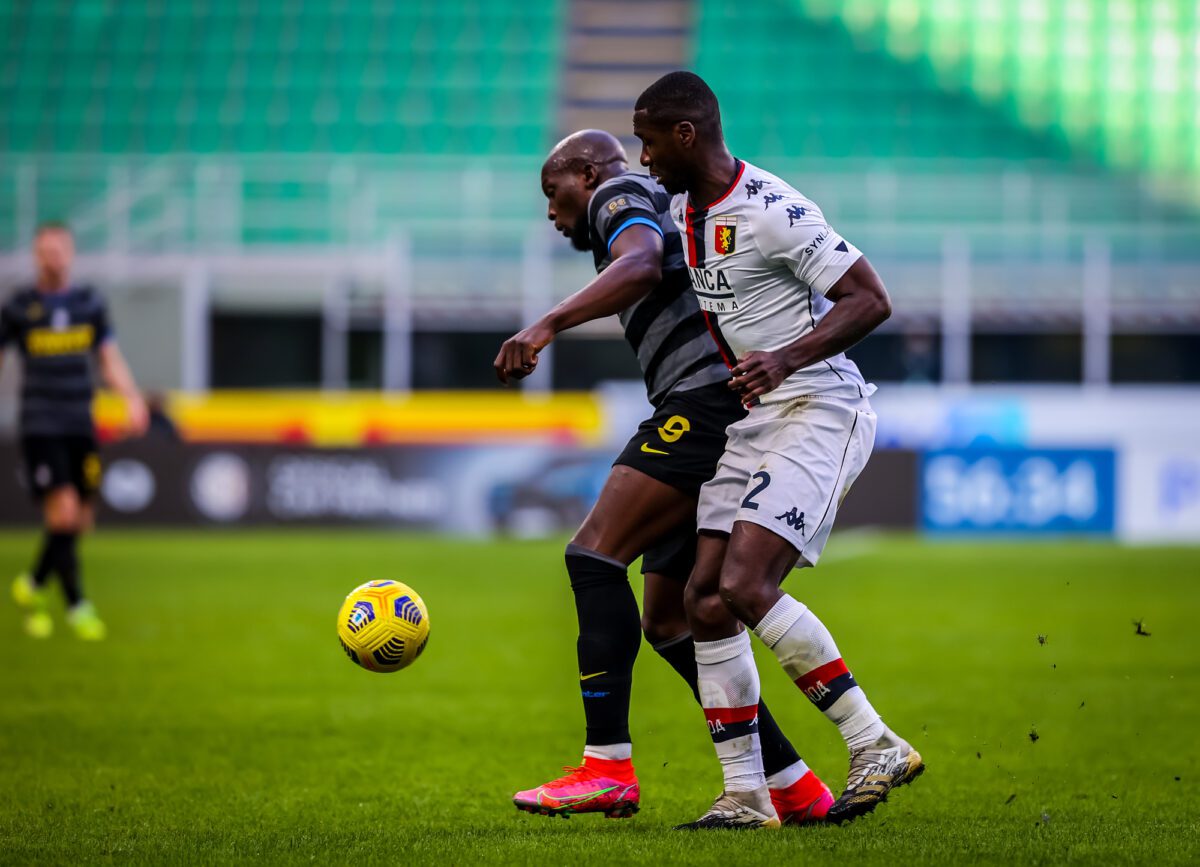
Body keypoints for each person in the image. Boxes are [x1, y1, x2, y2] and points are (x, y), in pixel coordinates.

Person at [495, 130, 833, 824]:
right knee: (672, 618)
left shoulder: (620, 193)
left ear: (584, 175)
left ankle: (607, 766)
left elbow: (643, 264)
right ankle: (793, 780)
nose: (551, 212)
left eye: (552, 193)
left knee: (593, 554)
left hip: (704, 405)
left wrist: (546, 324)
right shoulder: (654, 200)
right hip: (723, 404)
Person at [631, 72, 924, 829]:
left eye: (650, 140)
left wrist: (787, 357)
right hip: (757, 416)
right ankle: (746, 795)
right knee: (703, 599)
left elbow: (871, 299)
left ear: (687, 135)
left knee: (746, 582)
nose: (644, 155)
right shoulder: (681, 207)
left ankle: (875, 741)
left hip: (820, 405)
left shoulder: (773, 210)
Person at [2, 222, 148, 639]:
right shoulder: (19, 308)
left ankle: (33, 584)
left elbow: (109, 358)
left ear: (70, 253)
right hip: (40, 421)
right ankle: (77, 605)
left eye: (59, 250)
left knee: (81, 518)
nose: (53, 257)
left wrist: (131, 398)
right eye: (45, 251)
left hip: (80, 421)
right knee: (62, 511)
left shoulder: (89, 304)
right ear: (36, 256)